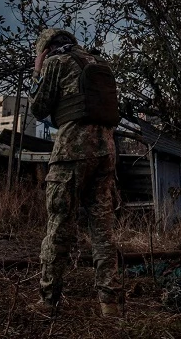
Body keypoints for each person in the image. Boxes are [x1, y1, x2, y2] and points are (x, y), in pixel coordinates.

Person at [28, 28, 122, 317]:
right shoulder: (97, 63)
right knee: (102, 230)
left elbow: (38, 109)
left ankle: (48, 300)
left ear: (45, 48)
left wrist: (37, 71)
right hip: (106, 152)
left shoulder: (55, 63)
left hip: (71, 154)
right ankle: (109, 304)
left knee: (59, 225)